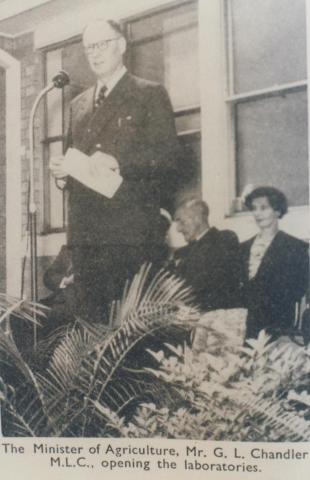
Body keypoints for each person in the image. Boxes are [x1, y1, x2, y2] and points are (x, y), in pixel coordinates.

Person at [49, 19, 181, 322]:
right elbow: (78, 166)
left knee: (128, 333)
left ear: (121, 46)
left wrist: (120, 162)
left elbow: (169, 158)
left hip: (129, 235)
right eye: (89, 47)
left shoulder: (149, 93)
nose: (94, 53)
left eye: (102, 44)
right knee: (87, 330)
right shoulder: (78, 105)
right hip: (86, 239)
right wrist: (63, 176)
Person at [241, 186, 309, 340]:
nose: (257, 213)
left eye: (264, 208)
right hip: (243, 323)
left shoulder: (295, 247)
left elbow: (297, 289)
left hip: (277, 324)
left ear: (277, 211)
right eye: (254, 208)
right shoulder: (242, 248)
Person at [172, 198, 241, 311]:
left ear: (198, 218)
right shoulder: (181, 252)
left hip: (214, 314)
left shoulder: (224, 239)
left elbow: (212, 283)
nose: (178, 229)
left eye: (181, 221)